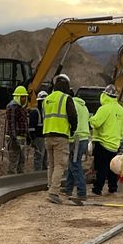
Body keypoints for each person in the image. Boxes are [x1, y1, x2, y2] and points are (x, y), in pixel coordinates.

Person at [42, 75, 77, 203]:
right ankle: (53, 192)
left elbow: (45, 116)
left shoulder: (47, 99)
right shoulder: (66, 98)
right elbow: (73, 116)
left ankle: (50, 187)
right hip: (60, 135)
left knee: (51, 164)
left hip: (47, 135)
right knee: (60, 164)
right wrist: (73, 129)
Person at [89, 85, 123, 195]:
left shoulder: (104, 109)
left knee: (101, 167)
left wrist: (89, 118)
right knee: (113, 168)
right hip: (115, 144)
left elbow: (96, 123)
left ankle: (97, 189)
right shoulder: (121, 110)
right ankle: (112, 188)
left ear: (105, 95)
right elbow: (122, 128)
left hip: (103, 142)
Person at [63, 93, 90, 203]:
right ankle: (68, 189)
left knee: (75, 164)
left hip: (77, 139)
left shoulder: (71, 104)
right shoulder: (84, 106)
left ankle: (82, 192)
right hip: (84, 138)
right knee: (73, 163)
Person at [4, 85, 29, 174]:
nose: (24, 99)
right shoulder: (12, 108)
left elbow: (24, 123)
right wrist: (14, 138)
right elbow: (12, 124)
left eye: (25, 97)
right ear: (18, 97)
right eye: (22, 97)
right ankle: (11, 180)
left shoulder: (21, 108)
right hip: (14, 139)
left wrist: (28, 136)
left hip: (21, 138)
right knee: (13, 161)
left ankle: (20, 179)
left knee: (21, 161)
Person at [27, 90, 48, 171]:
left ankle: (43, 173)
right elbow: (31, 127)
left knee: (45, 158)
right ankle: (37, 174)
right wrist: (33, 138)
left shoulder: (46, 113)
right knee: (39, 157)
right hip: (39, 138)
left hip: (45, 137)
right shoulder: (35, 112)